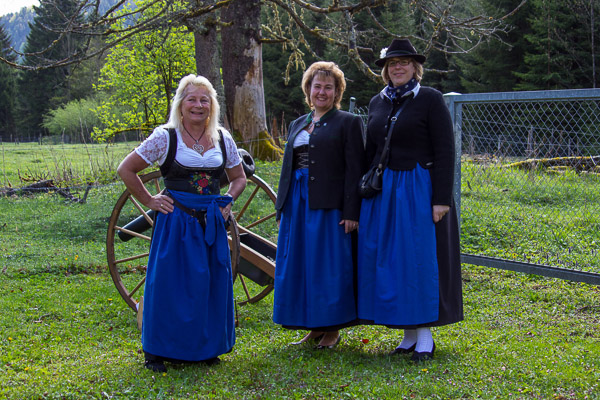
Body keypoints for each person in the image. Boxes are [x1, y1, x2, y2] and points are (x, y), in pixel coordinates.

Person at [117, 74, 246, 372]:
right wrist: (150, 200)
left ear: (212, 105)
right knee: (169, 284)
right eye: (192, 99)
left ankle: (206, 347)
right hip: (176, 221)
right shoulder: (165, 136)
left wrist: (227, 199)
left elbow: (239, 177)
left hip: (210, 223)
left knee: (209, 282)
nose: (198, 105)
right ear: (180, 104)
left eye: (204, 100)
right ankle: (157, 350)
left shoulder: (222, 138)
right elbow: (126, 169)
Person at [357, 39, 463, 361]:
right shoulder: (377, 102)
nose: (397, 67)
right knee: (393, 262)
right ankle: (407, 335)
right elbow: (371, 151)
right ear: (386, 70)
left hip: (417, 188)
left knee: (417, 259)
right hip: (385, 193)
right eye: (392, 63)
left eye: (403, 62)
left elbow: (445, 150)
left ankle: (425, 337)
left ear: (415, 67)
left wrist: (441, 198)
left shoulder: (429, 99)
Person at [273, 61, 365, 349]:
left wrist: (352, 211)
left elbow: (355, 170)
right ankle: (313, 327)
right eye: (317, 86)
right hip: (296, 204)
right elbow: (288, 168)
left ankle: (332, 328)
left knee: (328, 265)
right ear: (308, 89)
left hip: (328, 205)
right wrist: (282, 206)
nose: (322, 92)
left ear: (337, 91)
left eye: (328, 87)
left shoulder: (348, 122)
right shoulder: (298, 123)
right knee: (302, 264)